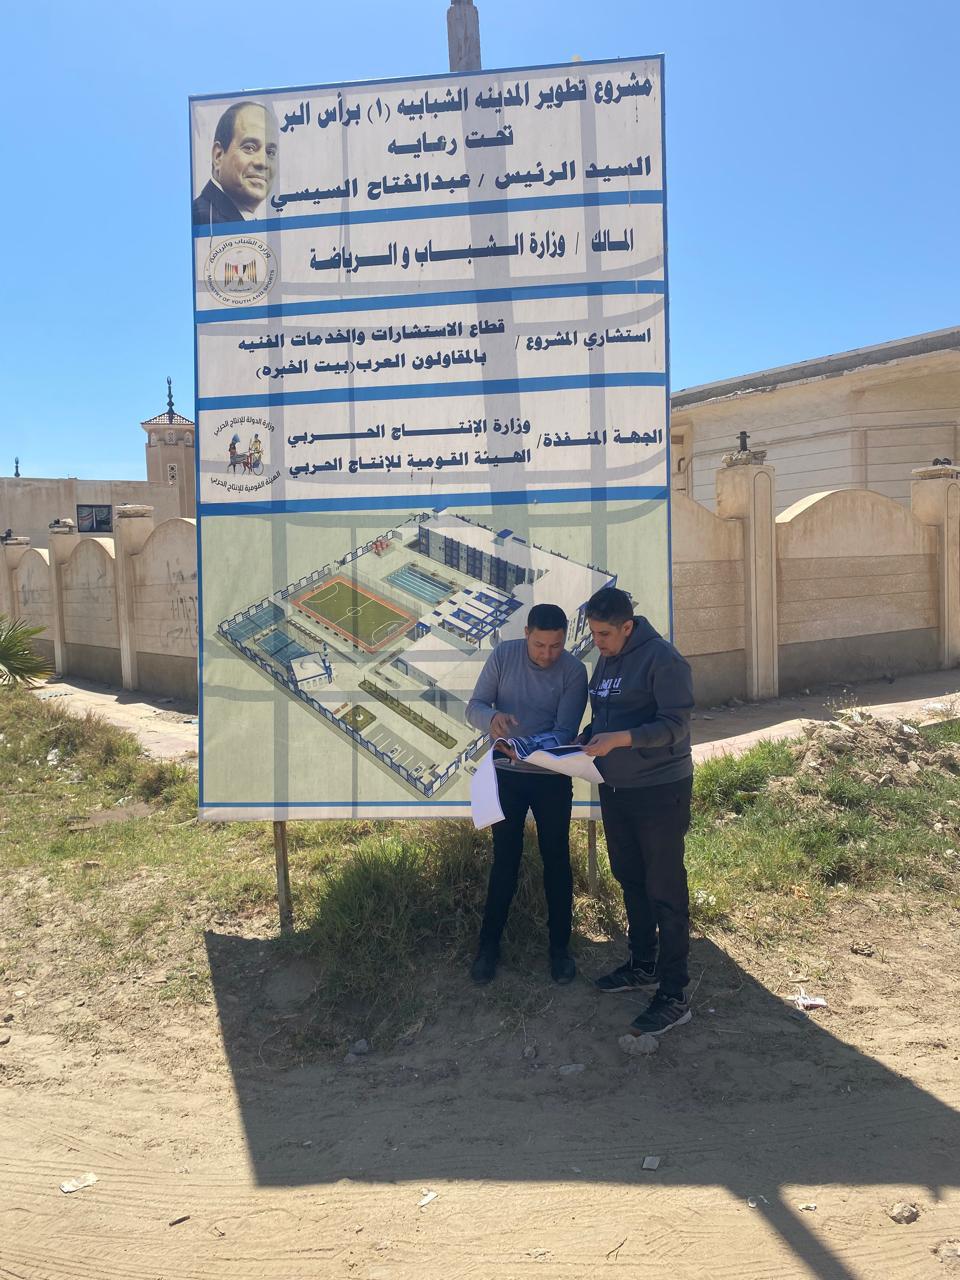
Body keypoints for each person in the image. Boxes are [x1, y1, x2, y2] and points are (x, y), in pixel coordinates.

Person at [580, 587, 695, 1036]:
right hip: (617, 788)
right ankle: (643, 964)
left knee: (665, 888)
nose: (598, 643)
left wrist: (620, 740)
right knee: (630, 877)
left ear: (628, 626)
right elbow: (608, 716)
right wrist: (585, 739)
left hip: (660, 789)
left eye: (604, 634)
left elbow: (675, 725)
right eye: (593, 634)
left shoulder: (664, 660)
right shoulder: (608, 657)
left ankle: (674, 993)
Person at [466, 603, 588, 986]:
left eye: (556, 646)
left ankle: (560, 949)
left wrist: (523, 746)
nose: (547, 654)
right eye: (539, 645)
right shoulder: (504, 656)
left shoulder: (574, 671)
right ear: (526, 635)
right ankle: (488, 947)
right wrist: (492, 720)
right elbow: (474, 706)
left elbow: (565, 731)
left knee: (557, 860)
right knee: (505, 859)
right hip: (506, 775)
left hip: (552, 777)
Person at [192, 102, 278, 225]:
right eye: (249, 148)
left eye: (270, 152)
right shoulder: (204, 220)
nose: (263, 163)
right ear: (218, 156)